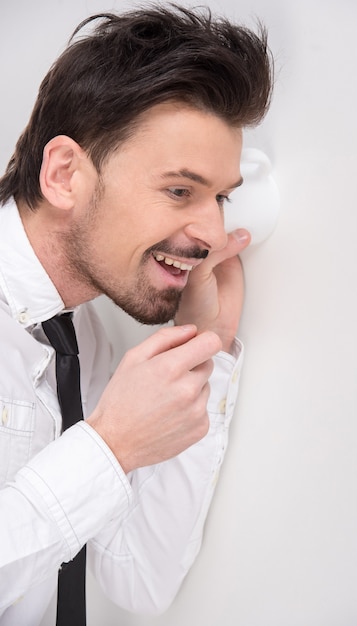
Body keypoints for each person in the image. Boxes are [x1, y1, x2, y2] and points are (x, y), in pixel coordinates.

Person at [0, 3, 273, 624]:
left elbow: (137, 581)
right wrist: (110, 446)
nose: (211, 231)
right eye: (181, 190)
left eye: (221, 197)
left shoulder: (83, 343)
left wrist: (204, 349)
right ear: (65, 174)